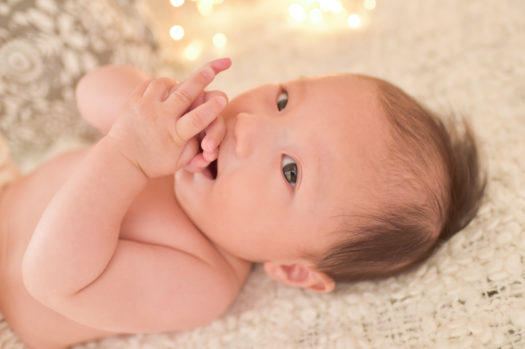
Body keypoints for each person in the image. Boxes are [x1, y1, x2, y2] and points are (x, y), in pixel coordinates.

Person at [0, 58, 485, 348]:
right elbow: (90, 91)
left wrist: (128, 155)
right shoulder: (178, 141)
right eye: (281, 101)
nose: (251, 125)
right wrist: (150, 108)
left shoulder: (200, 279)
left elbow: (48, 278)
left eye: (290, 170)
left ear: (294, 270)